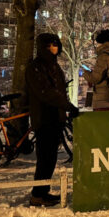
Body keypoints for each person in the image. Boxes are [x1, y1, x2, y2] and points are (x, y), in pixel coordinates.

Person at [25, 33, 77, 207]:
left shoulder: (53, 66)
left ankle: (42, 191)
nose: (55, 47)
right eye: (51, 45)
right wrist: (67, 105)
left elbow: (59, 91)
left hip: (55, 118)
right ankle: (37, 194)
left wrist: (66, 107)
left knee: (50, 158)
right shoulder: (36, 67)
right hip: (44, 118)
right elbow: (46, 92)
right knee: (45, 158)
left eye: (56, 44)